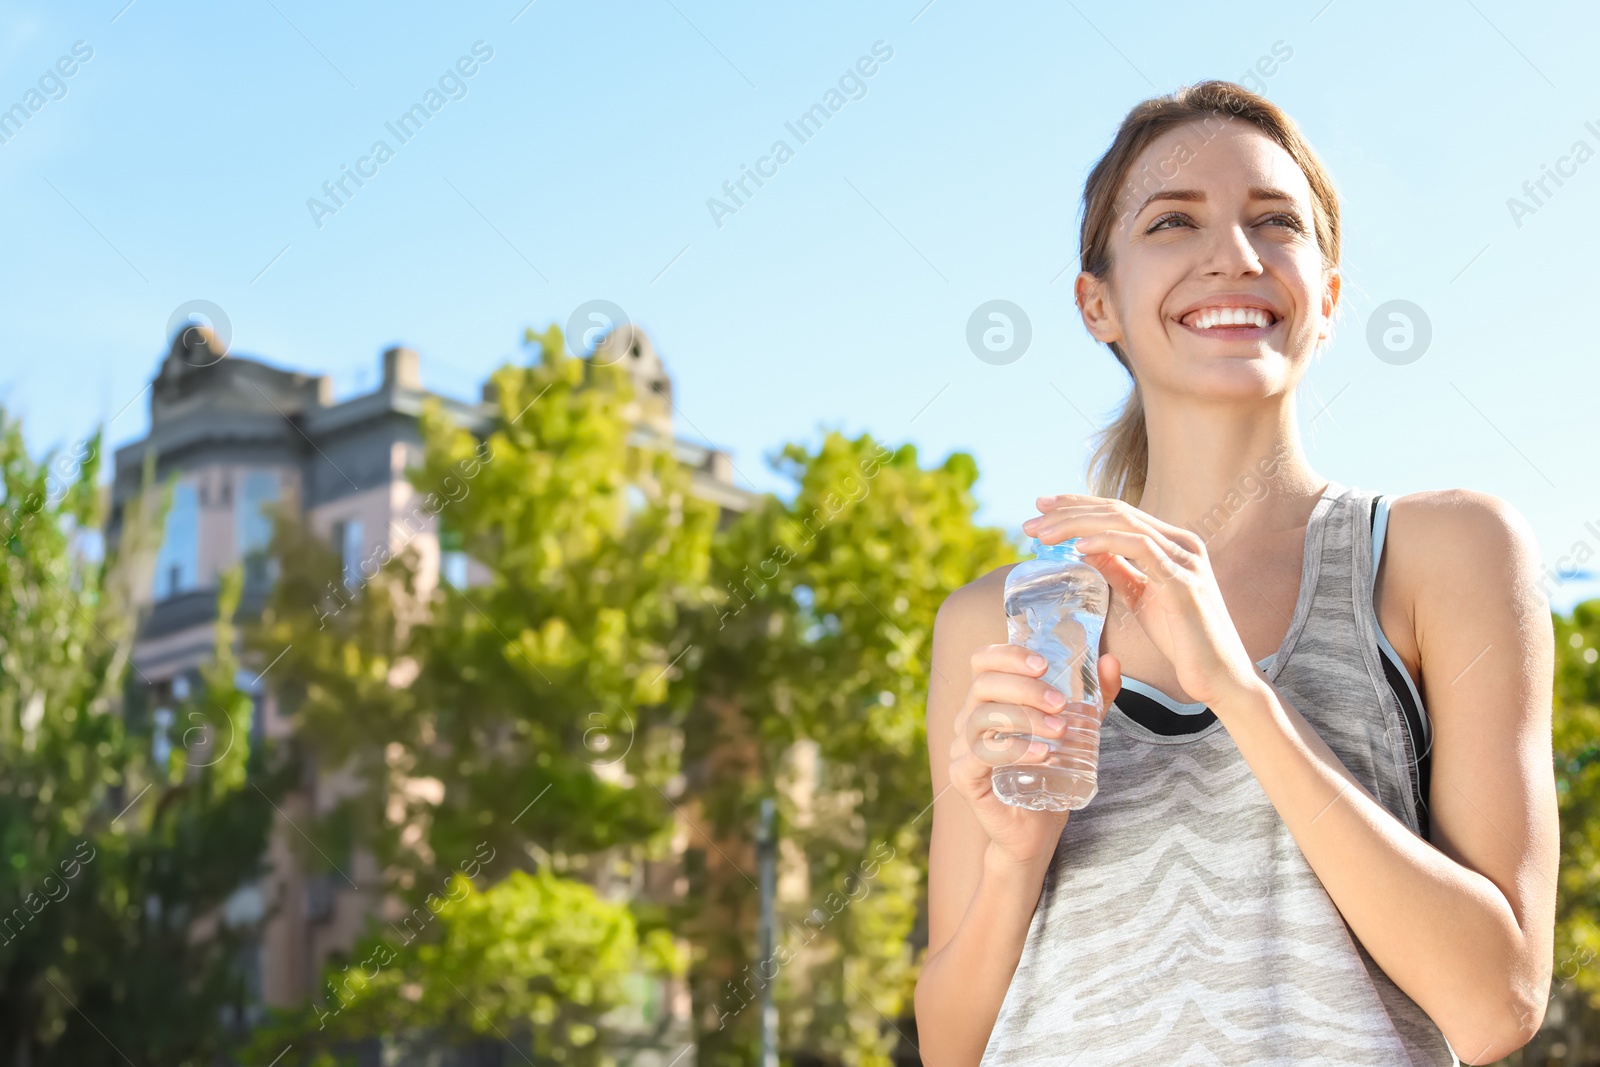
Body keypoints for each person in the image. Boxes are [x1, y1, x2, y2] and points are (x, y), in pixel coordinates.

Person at [913, 80, 1558, 1066]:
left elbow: (1494, 1002)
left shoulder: (1448, 553)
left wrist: (1238, 690)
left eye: (1274, 221)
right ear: (1097, 304)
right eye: (1173, 221)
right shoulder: (998, 620)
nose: (1235, 255)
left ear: (1328, 297)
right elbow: (951, 1043)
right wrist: (1014, 859)